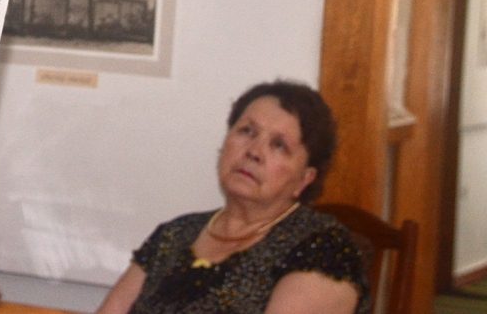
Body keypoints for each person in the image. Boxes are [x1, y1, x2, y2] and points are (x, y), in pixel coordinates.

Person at [96, 80, 371, 314]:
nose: (254, 151)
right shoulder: (175, 234)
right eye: (247, 131)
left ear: (304, 179)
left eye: (279, 145)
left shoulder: (324, 250)